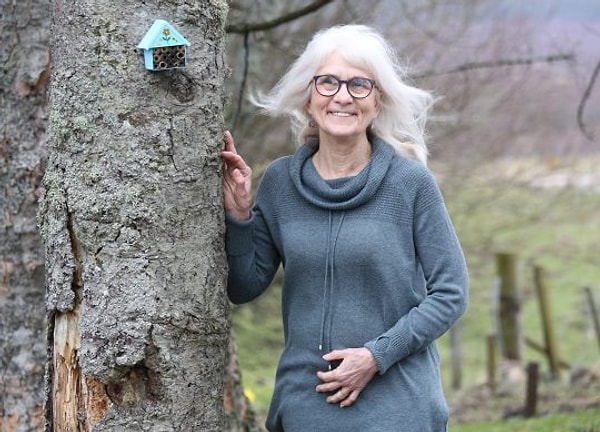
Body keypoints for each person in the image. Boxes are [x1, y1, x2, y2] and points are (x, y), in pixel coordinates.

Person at [221, 24, 469, 432]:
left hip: (397, 405)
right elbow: (243, 286)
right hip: (305, 406)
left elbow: (451, 293)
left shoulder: (410, 184)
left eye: (359, 85)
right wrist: (241, 217)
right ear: (308, 95)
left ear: (378, 100)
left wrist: (375, 356)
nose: (342, 96)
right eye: (328, 82)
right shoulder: (281, 183)